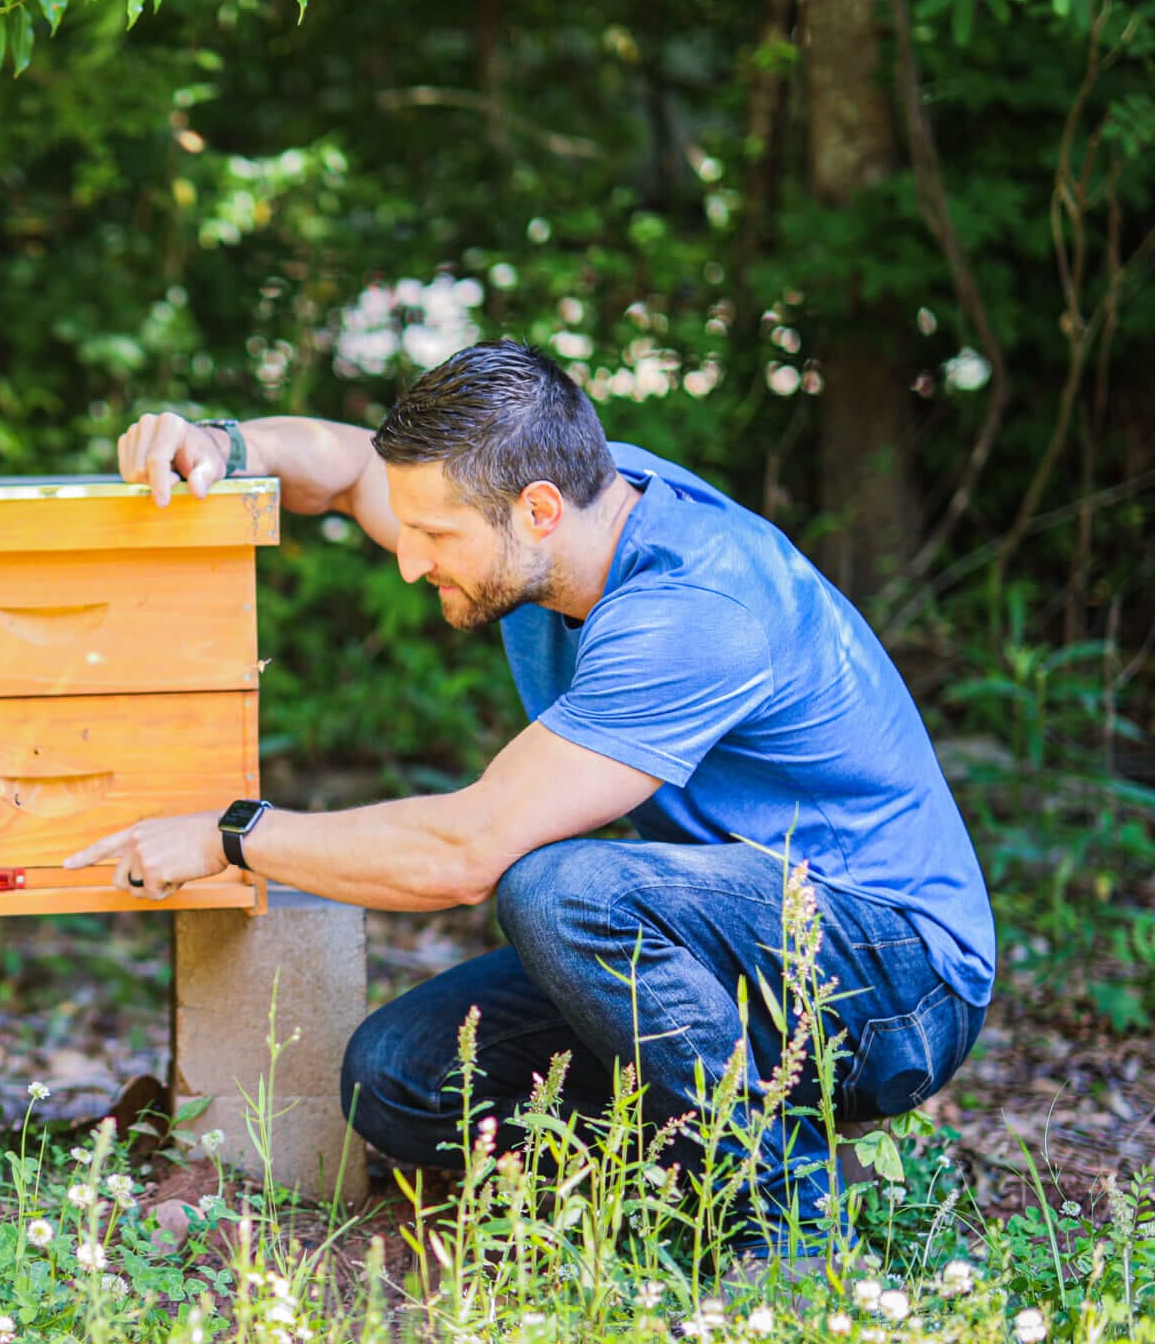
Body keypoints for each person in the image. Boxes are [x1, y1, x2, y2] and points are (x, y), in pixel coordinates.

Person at [67, 339, 994, 1253]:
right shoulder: (566, 503)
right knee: (400, 1077)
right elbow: (352, 471)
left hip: (893, 977)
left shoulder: (693, 609)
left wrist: (234, 836)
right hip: (732, 943)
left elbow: (463, 854)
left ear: (538, 509)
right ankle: (706, 1169)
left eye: (433, 538)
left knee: (562, 892)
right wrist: (228, 445)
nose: (407, 559)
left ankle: (790, 1227)